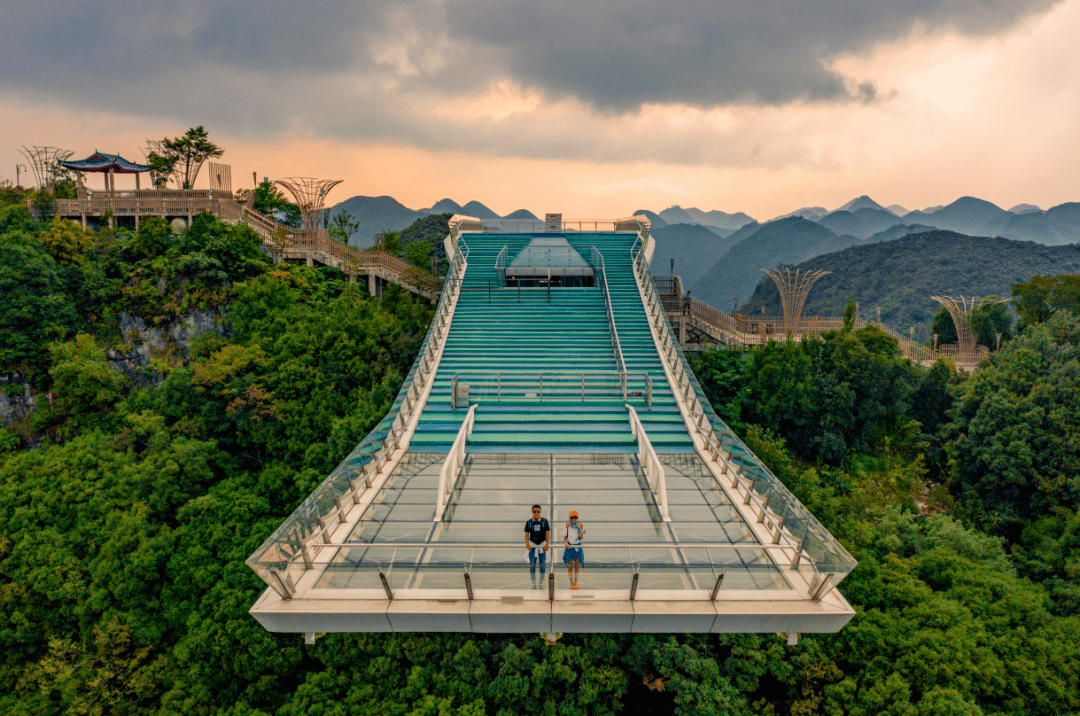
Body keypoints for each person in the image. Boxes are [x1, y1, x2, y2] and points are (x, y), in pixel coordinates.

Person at [524, 504, 550, 588]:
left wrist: (547, 544)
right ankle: (533, 582)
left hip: (542, 545)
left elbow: (547, 533)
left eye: (538, 511)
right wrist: (527, 544)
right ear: (532, 512)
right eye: (534, 511)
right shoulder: (529, 522)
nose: (536, 513)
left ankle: (541, 581)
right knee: (532, 564)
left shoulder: (544, 521)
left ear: (540, 512)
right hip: (533, 546)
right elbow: (527, 534)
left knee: (542, 564)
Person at [563, 510, 585, 589]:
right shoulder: (567, 525)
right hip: (570, 546)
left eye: (575, 517)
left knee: (577, 564)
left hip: (577, 546)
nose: (574, 519)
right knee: (570, 564)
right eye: (572, 518)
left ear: (577, 518)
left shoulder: (580, 525)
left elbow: (581, 537)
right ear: (570, 518)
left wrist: (581, 535)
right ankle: (571, 582)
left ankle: (576, 581)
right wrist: (566, 543)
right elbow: (565, 537)